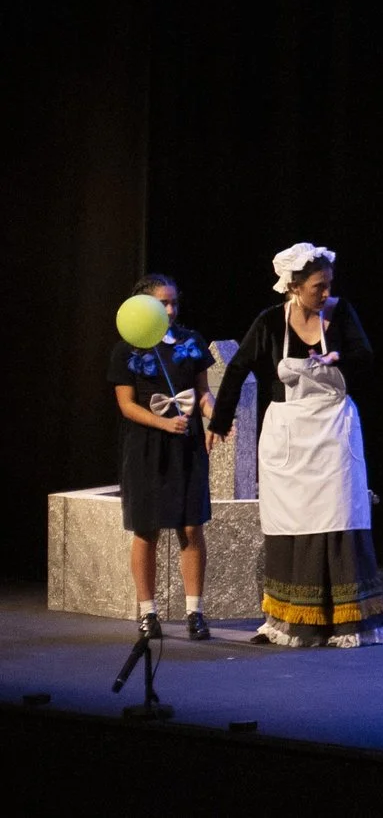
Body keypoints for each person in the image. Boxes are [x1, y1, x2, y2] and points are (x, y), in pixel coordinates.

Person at [210, 242, 383, 647]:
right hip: (289, 434)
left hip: (334, 431)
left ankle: (346, 623)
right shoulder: (272, 322)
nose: (325, 294)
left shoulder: (340, 314)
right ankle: (289, 620)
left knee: (339, 515)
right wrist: (220, 421)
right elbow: (237, 369)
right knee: (291, 522)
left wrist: (338, 358)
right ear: (293, 286)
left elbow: (366, 359)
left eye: (327, 285)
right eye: (316, 287)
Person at [111, 273, 215, 641]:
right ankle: (147, 613)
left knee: (191, 527)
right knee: (147, 529)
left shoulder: (191, 342)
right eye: (162, 303)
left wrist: (215, 416)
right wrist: (160, 422)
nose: (170, 310)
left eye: (173, 302)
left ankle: (194, 612)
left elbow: (202, 394)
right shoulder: (127, 349)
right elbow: (126, 405)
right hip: (146, 448)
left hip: (186, 444)